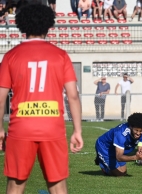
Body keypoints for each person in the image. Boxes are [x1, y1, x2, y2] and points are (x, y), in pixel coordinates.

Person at [0, 4, 83, 193]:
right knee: (58, 186)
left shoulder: (10, 56)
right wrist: (77, 130)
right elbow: (73, 96)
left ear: (21, 25)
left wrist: (0, 129)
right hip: (52, 128)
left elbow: (0, 98)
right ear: (48, 25)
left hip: (21, 127)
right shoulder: (60, 55)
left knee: (15, 185)